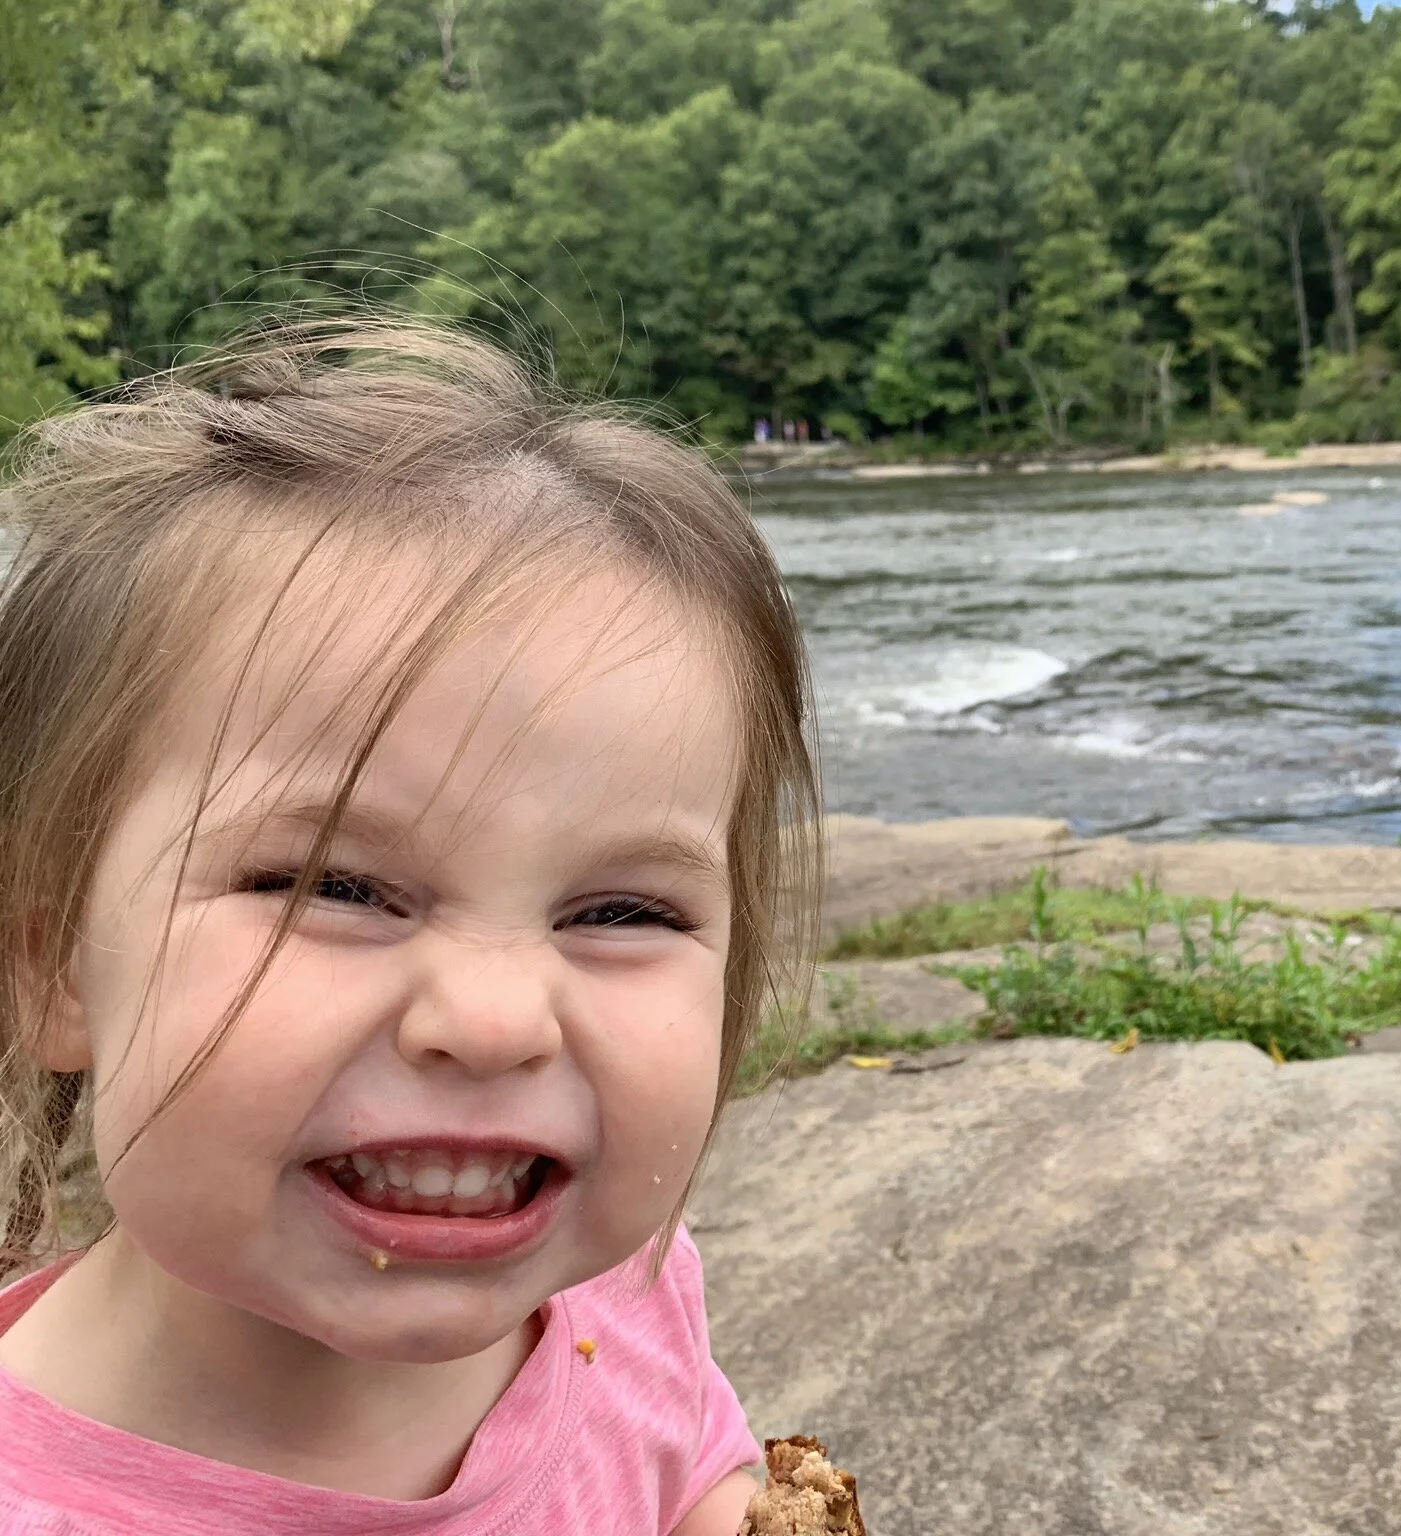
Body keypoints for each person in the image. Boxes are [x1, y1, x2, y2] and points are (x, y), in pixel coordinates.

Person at [0, 316, 820, 1535]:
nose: (495, 1020)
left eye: (620, 910)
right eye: (334, 888)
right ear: (54, 961)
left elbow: (690, 1470)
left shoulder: (621, 1298)